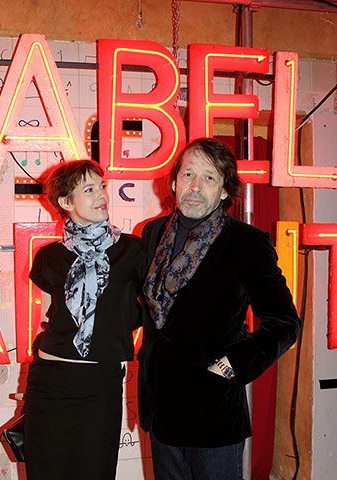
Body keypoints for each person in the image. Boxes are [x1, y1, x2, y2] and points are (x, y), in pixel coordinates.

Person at [138, 138, 301, 479]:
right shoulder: (153, 232)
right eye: (188, 175)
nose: (195, 187)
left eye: (209, 178)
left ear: (225, 190)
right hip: (161, 410)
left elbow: (284, 323)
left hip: (212, 412)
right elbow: (155, 312)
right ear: (173, 182)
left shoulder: (247, 242)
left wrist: (232, 368)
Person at [23, 159, 145, 480]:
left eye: (102, 186)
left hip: (99, 382)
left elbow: (153, 305)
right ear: (66, 203)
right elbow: (49, 318)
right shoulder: (49, 256)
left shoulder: (132, 250)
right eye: (89, 189)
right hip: (48, 379)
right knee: (45, 471)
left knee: (95, 470)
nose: (102, 195)